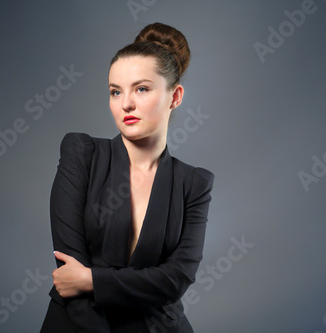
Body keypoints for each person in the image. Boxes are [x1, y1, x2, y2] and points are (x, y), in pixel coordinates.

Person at [40, 22, 214, 333]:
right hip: (78, 325)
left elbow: (174, 281)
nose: (126, 104)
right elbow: (68, 277)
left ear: (175, 96)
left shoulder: (194, 184)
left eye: (142, 88)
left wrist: (92, 279)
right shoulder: (81, 154)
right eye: (115, 91)